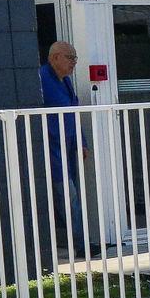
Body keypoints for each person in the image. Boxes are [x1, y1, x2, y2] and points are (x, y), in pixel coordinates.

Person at [38, 41, 91, 254]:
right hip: (51, 149)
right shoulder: (41, 79)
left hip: (67, 148)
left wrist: (82, 142)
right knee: (68, 195)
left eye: (75, 58)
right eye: (70, 57)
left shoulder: (66, 82)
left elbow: (73, 113)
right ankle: (81, 246)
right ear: (55, 57)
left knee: (69, 195)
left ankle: (79, 243)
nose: (74, 62)